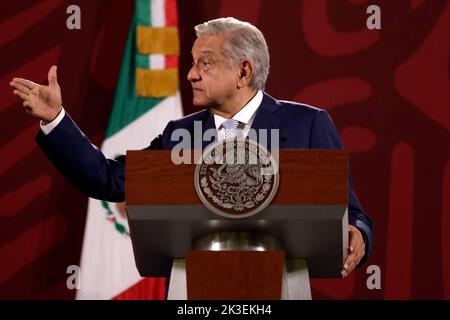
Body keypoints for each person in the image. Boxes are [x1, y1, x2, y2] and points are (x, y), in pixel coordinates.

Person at [10, 17, 373, 278]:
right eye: (192, 63)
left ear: (243, 72)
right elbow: (106, 180)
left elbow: (350, 212)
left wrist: (357, 233)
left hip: (283, 283)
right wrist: (56, 118)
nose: (191, 74)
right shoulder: (177, 134)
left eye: (205, 63)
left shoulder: (307, 124)